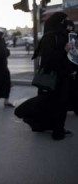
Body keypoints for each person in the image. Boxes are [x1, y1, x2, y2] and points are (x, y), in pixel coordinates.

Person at [31, 12, 73, 140]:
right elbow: (48, 59)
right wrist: (64, 50)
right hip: (54, 77)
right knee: (57, 105)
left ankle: (51, 127)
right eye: (65, 20)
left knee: (55, 104)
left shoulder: (64, 36)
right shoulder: (49, 37)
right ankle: (57, 132)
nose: (67, 22)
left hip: (63, 75)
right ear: (59, 22)